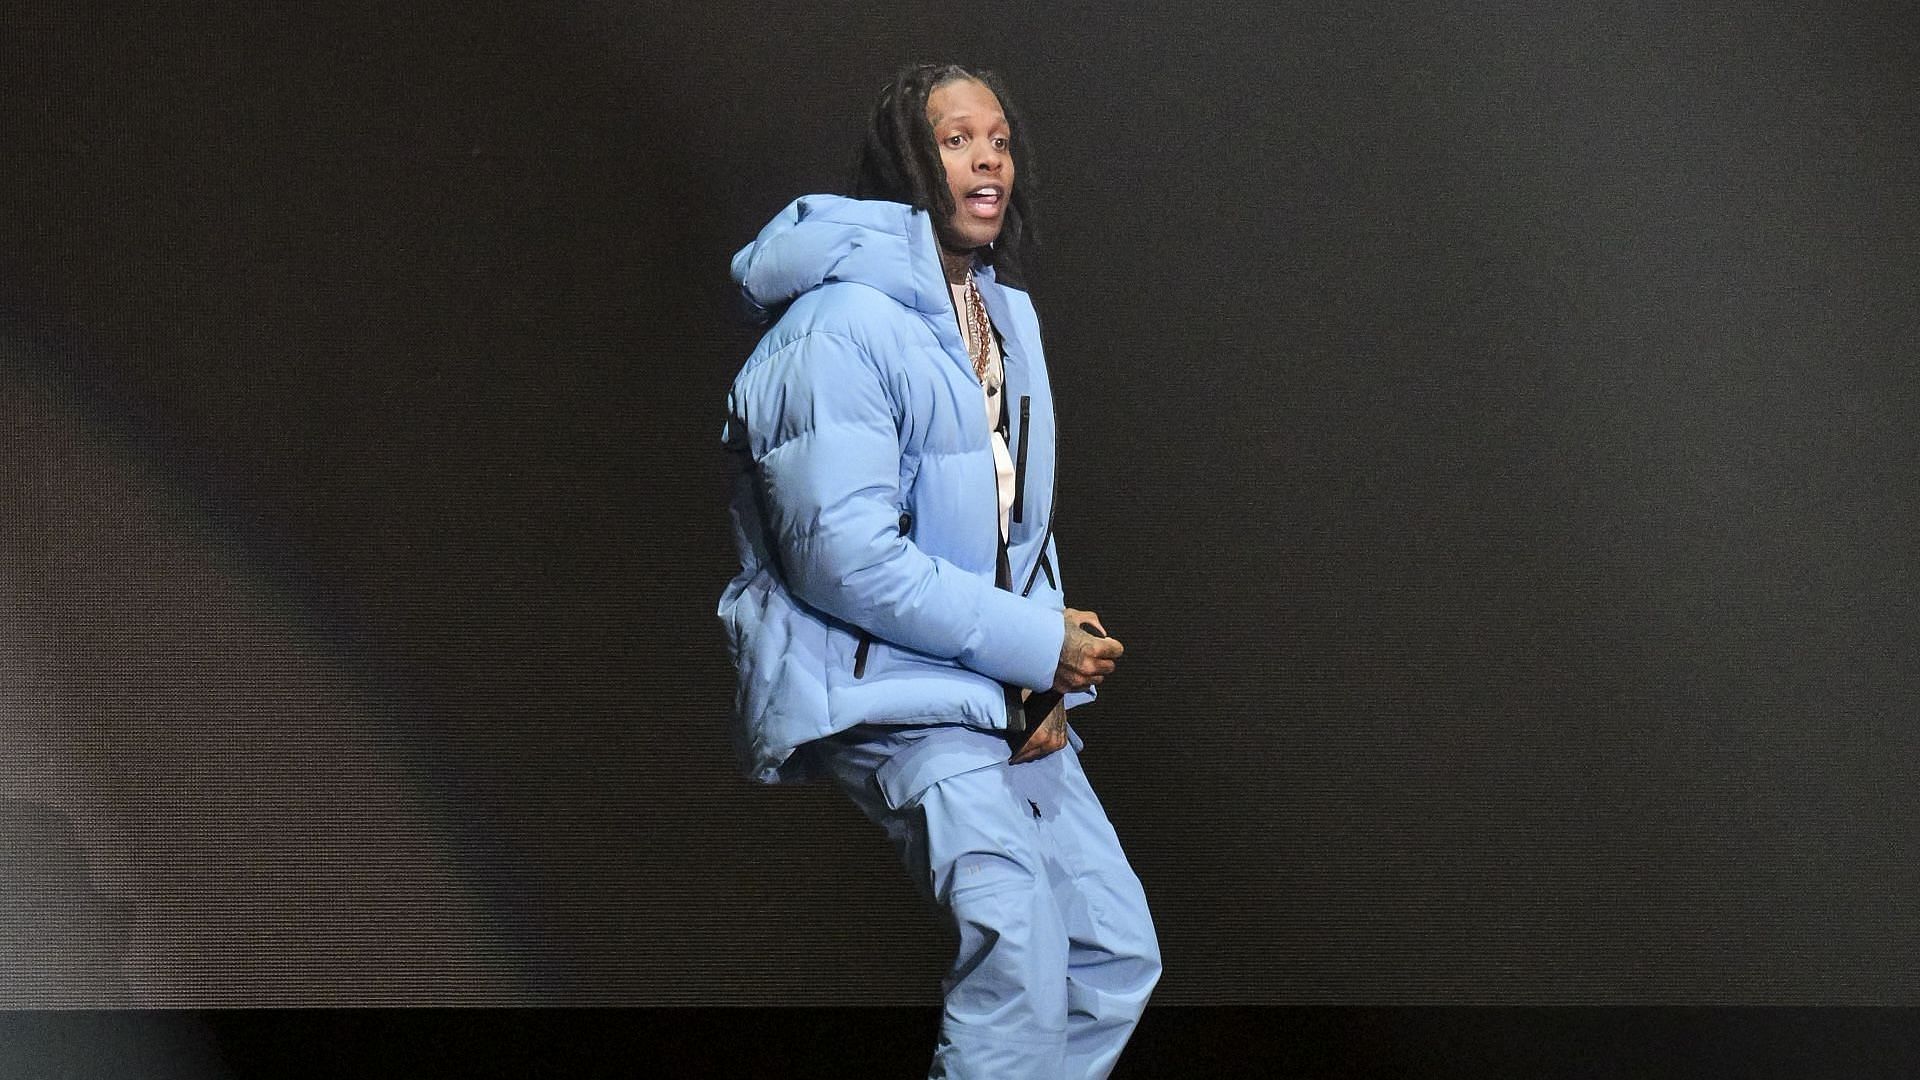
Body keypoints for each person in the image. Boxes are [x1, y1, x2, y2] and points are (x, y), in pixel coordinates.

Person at [719, 62, 1160, 1078]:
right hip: (887, 683)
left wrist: (1042, 662)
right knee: (1018, 949)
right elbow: (846, 562)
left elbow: (1015, 530)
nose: (988, 159)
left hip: (991, 680)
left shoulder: (1008, 318)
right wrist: (1032, 643)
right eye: (958, 139)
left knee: (1109, 951)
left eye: (998, 139)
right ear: (907, 164)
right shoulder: (837, 327)